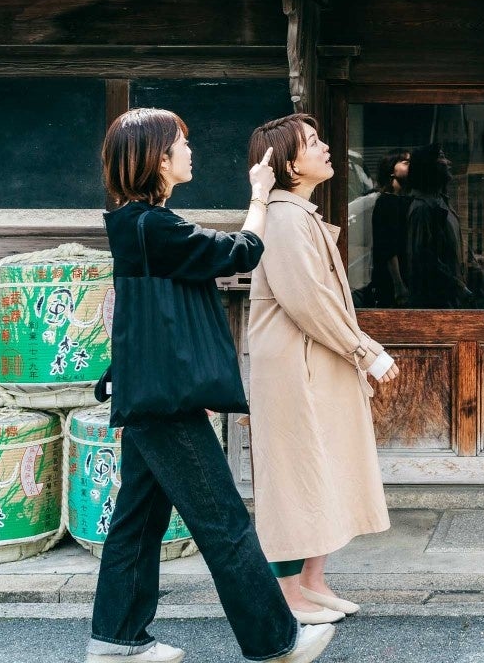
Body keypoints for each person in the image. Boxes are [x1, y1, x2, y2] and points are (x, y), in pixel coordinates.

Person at [88, 108, 332, 663]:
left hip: (151, 390)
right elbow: (240, 252)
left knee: (138, 520)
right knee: (223, 522)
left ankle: (116, 639)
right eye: (181, 144)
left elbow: (140, 312)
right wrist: (260, 196)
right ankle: (276, 641)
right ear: (157, 159)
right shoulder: (155, 226)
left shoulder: (136, 224)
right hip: (167, 398)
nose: (190, 152)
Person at [246, 114, 399, 622]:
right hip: (296, 366)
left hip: (314, 361)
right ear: (289, 162)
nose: (326, 147)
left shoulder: (299, 213)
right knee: (295, 473)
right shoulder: (285, 218)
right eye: (313, 142)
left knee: (324, 467)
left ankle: (312, 582)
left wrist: (358, 349)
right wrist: (366, 351)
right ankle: (288, 593)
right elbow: (307, 301)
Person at [402, 144, 473, 309]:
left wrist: (481, 276)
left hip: (450, 301)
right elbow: (424, 260)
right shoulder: (422, 208)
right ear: (429, 166)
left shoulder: (442, 203)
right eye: (441, 157)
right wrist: (458, 287)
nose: (448, 162)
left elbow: (458, 247)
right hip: (435, 304)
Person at [355, 151, 410, 309]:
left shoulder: (403, 201)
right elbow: (388, 247)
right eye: (405, 163)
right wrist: (398, 284)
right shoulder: (385, 202)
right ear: (391, 170)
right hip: (390, 280)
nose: (411, 167)